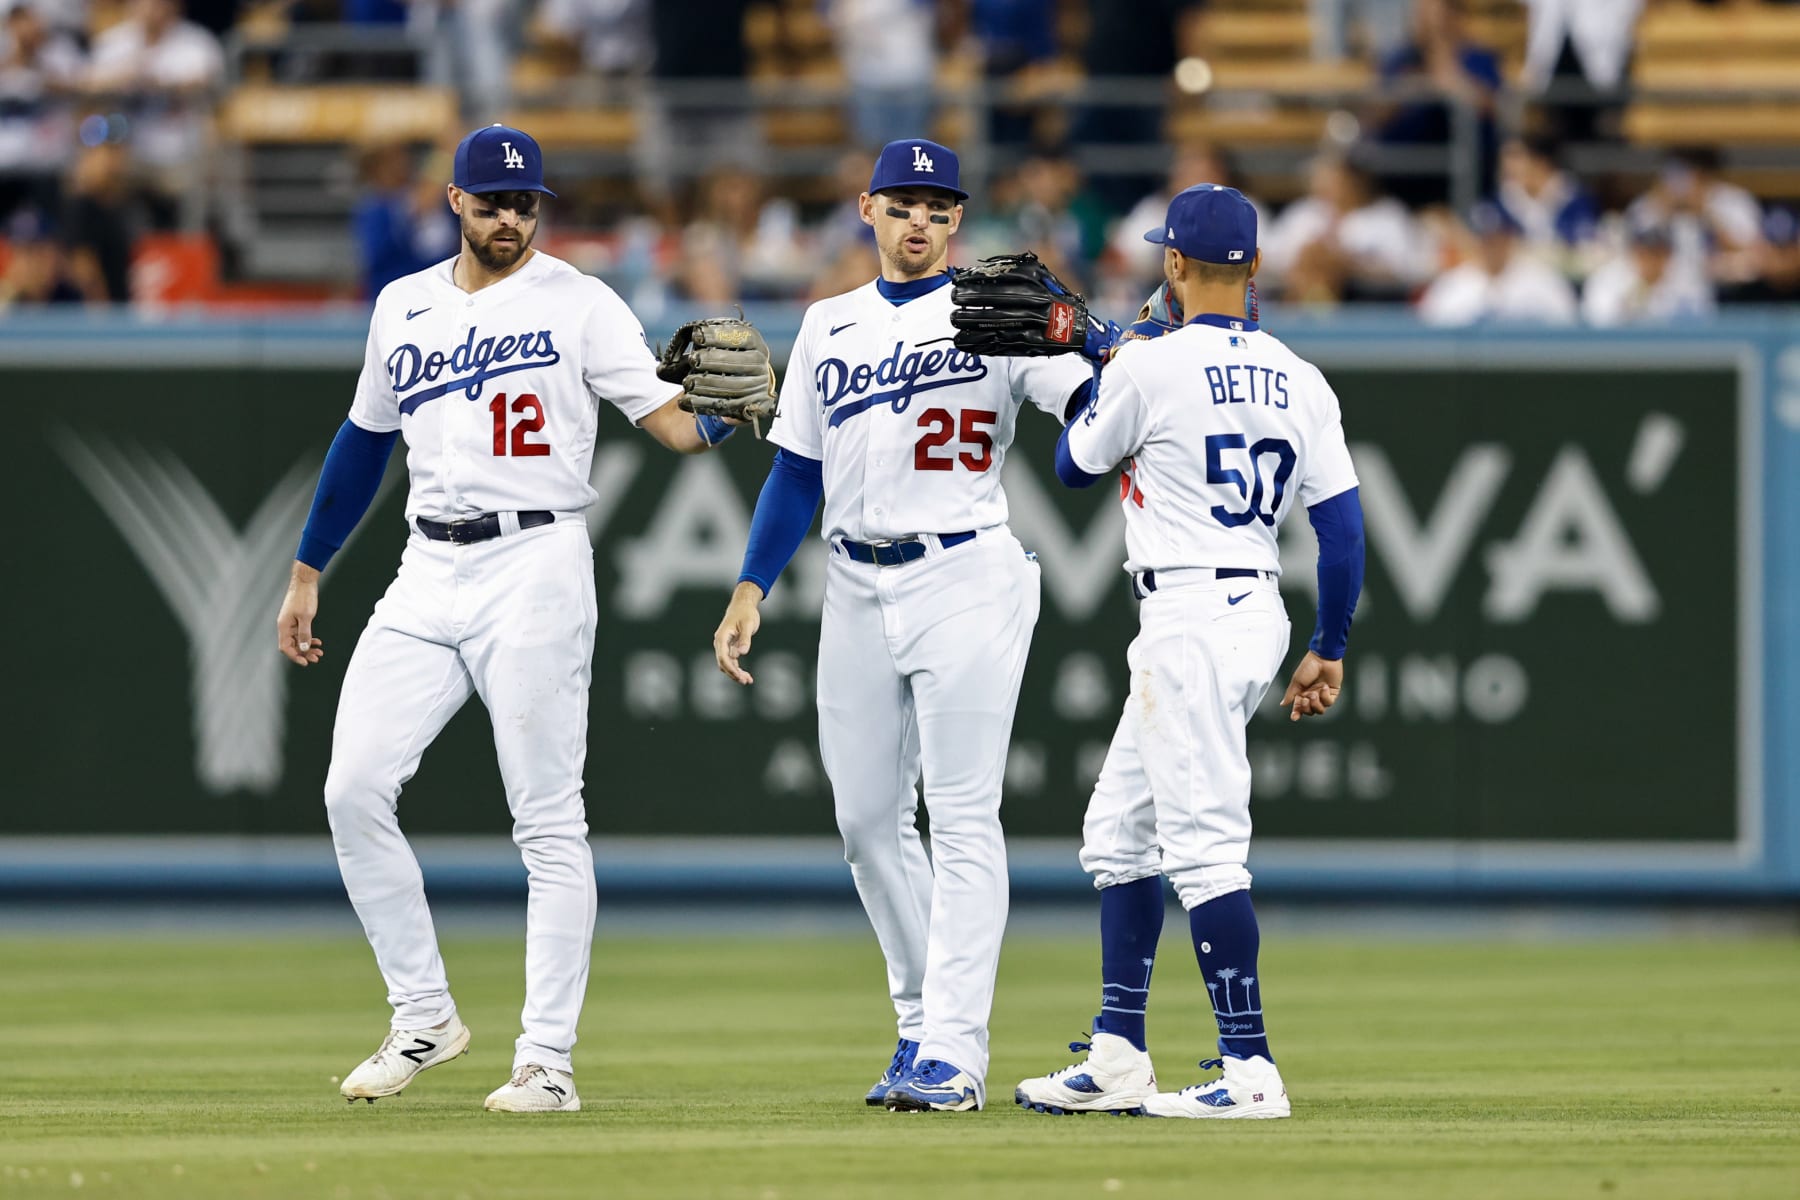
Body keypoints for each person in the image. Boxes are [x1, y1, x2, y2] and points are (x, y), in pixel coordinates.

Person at [274, 124, 757, 1114]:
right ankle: (423, 1016)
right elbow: (364, 444)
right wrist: (308, 569)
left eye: (525, 202)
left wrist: (727, 412)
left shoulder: (580, 303)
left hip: (535, 559)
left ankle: (547, 1062)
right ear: (454, 201)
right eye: (492, 201)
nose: (511, 217)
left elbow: (670, 424)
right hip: (425, 566)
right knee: (352, 790)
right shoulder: (401, 305)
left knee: (545, 819)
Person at [710, 139, 1095, 1112]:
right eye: (902, 202)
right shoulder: (828, 324)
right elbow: (796, 468)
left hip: (967, 568)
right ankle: (922, 1020)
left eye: (938, 204)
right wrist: (752, 583)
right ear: (866, 210)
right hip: (854, 583)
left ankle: (954, 1054)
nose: (919, 219)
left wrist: (1096, 343)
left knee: (963, 816)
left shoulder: (995, 311)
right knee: (865, 823)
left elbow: (1088, 411)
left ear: (957, 220)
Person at [1013, 184, 1364, 1119]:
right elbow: (1342, 532)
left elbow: (1072, 466)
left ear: (1172, 264)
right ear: (1252, 267)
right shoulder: (1301, 375)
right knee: (1117, 834)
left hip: (1190, 618)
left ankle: (1249, 1071)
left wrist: (1102, 363)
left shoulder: (1151, 367)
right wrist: (1328, 646)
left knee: (1203, 850)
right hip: (1252, 609)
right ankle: (1120, 1055)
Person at [1416, 201, 1578, 325]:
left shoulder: (1543, 280)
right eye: (1483, 238)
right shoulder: (1451, 284)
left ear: (1510, 238)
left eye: (1497, 238)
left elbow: (1569, 327)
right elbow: (1427, 334)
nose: (1490, 246)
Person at [1580, 215, 1715, 327]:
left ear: (1668, 255)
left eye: (1657, 253)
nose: (1650, 260)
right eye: (1643, 253)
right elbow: (1597, 325)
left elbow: (1703, 321)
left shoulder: (1689, 279)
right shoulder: (1607, 278)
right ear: (1632, 252)